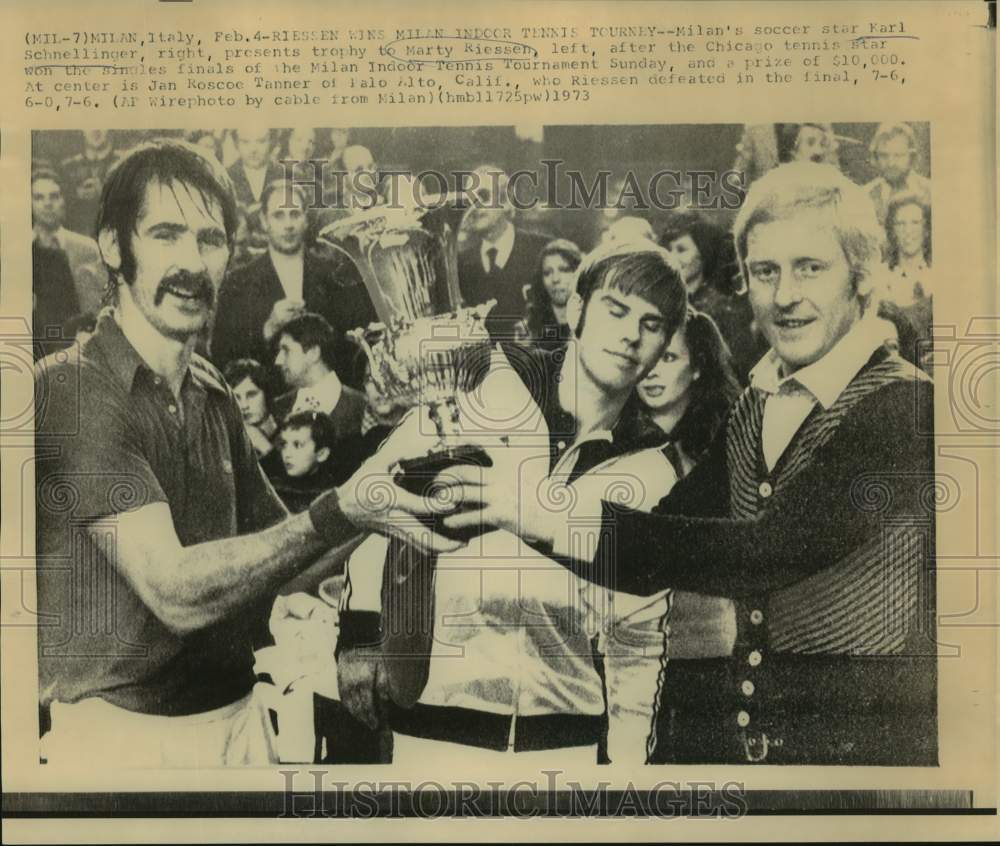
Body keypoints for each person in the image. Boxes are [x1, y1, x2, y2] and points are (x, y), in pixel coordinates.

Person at [442, 162, 937, 766]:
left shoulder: (906, 404)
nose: (784, 296)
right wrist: (481, 484)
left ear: (861, 277)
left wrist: (528, 510)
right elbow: (657, 539)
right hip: (753, 763)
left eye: (811, 267)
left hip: (869, 774)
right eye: (764, 271)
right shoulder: (760, 402)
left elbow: (768, 551)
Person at [33, 139, 460, 768]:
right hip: (117, 741)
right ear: (113, 246)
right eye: (166, 235)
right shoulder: (68, 388)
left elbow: (285, 558)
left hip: (238, 725)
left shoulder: (211, 388)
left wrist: (398, 463)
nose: (192, 263)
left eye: (210, 239)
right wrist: (343, 507)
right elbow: (174, 592)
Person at [337, 242, 687, 764]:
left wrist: (627, 774)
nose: (631, 334)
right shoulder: (489, 380)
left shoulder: (654, 466)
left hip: (565, 745)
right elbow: (381, 488)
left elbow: (638, 642)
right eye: (616, 310)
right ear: (577, 309)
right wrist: (360, 627)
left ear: (663, 346)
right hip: (437, 731)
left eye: (652, 323)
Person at [210, 180, 373, 376]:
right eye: (279, 215)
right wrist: (267, 330)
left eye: (294, 214)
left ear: (306, 219)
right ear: (264, 220)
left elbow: (361, 345)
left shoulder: (335, 275)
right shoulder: (237, 282)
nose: (288, 225)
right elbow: (222, 357)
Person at [659, 211, 765, 382]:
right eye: (668, 250)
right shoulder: (662, 304)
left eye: (681, 249)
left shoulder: (723, 310)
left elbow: (743, 373)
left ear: (703, 254)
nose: (672, 258)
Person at [637, 308, 742, 477]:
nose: (651, 372)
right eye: (646, 357)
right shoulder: (612, 436)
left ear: (697, 366)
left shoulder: (726, 440)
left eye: (668, 358)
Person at [457, 164, 549, 338]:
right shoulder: (461, 264)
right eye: (469, 200)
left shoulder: (543, 251)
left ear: (506, 202)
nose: (474, 207)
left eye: (483, 196)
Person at [272, 312, 367, 441]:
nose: (278, 360)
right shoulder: (277, 408)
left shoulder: (361, 407)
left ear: (313, 353)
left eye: (286, 350)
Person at [31, 168, 108, 314]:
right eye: (39, 197)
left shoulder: (87, 249)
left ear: (64, 200)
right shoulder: (20, 250)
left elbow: (100, 303)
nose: (47, 203)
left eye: (54, 196)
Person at [265, 411, 344, 513]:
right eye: (284, 444)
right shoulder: (273, 487)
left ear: (322, 454)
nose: (287, 454)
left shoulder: (330, 498)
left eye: (297, 445)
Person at [864, 122, 931, 225]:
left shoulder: (931, 192)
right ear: (875, 158)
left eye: (898, 155)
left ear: (912, 157)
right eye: (884, 155)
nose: (891, 163)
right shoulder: (864, 196)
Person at [524, 238, 583, 352]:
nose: (555, 279)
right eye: (547, 273)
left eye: (564, 270)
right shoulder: (531, 321)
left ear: (578, 272)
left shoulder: (590, 316)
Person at [60, 129, 119, 236]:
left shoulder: (122, 163)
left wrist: (105, 194)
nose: (96, 130)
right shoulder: (68, 168)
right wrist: (75, 196)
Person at [223, 358, 280, 459]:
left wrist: (265, 447)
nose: (244, 405)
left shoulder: (288, 433)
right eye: (236, 397)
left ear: (267, 394)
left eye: (251, 395)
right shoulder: (228, 442)